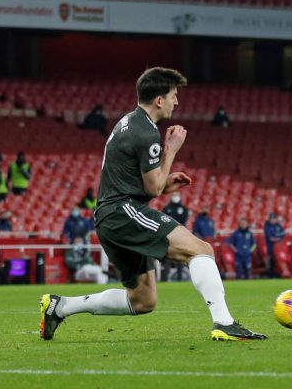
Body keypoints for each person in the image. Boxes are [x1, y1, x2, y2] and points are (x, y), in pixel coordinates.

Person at [39, 67, 265, 342]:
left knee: (143, 299)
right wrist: (171, 150)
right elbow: (153, 188)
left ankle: (60, 307)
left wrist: (164, 182)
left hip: (112, 215)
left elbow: (144, 184)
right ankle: (224, 322)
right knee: (200, 250)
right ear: (159, 100)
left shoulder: (128, 122)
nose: (176, 101)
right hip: (122, 212)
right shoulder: (146, 133)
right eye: (173, 95)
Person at [264, 212, 285, 278]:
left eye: (274, 219)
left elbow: (283, 233)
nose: (272, 220)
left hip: (278, 247)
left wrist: (277, 237)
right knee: (271, 260)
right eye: (271, 219)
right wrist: (277, 237)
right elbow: (270, 237)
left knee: (277, 261)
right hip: (271, 247)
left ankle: (278, 273)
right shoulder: (267, 226)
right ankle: (270, 275)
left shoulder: (278, 225)